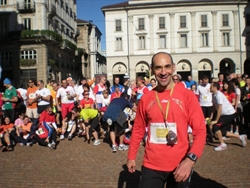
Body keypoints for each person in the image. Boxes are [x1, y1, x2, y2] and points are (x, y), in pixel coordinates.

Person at [127, 52, 206, 188]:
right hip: (151, 164)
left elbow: (200, 131)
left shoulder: (187, 96)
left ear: (173, 68)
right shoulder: (146, 98)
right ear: (152, 70)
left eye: (167, 67)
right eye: (158, 68)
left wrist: (190, 160)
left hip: (180, 164)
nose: (163, 72)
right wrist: (131, 156)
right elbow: (138, 129)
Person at [209, 82, 247, 151]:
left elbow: (220, 108)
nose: (209, 88)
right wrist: (211, 116)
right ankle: (241, 137)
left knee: (216, 127)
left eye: (211, 87)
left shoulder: (219, 95)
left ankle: (223, 145)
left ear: (215, 87)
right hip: (225, 114)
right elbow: (215, 107)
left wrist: (216, 120)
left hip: (229, 114)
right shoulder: (213, 95)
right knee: (222, 131)